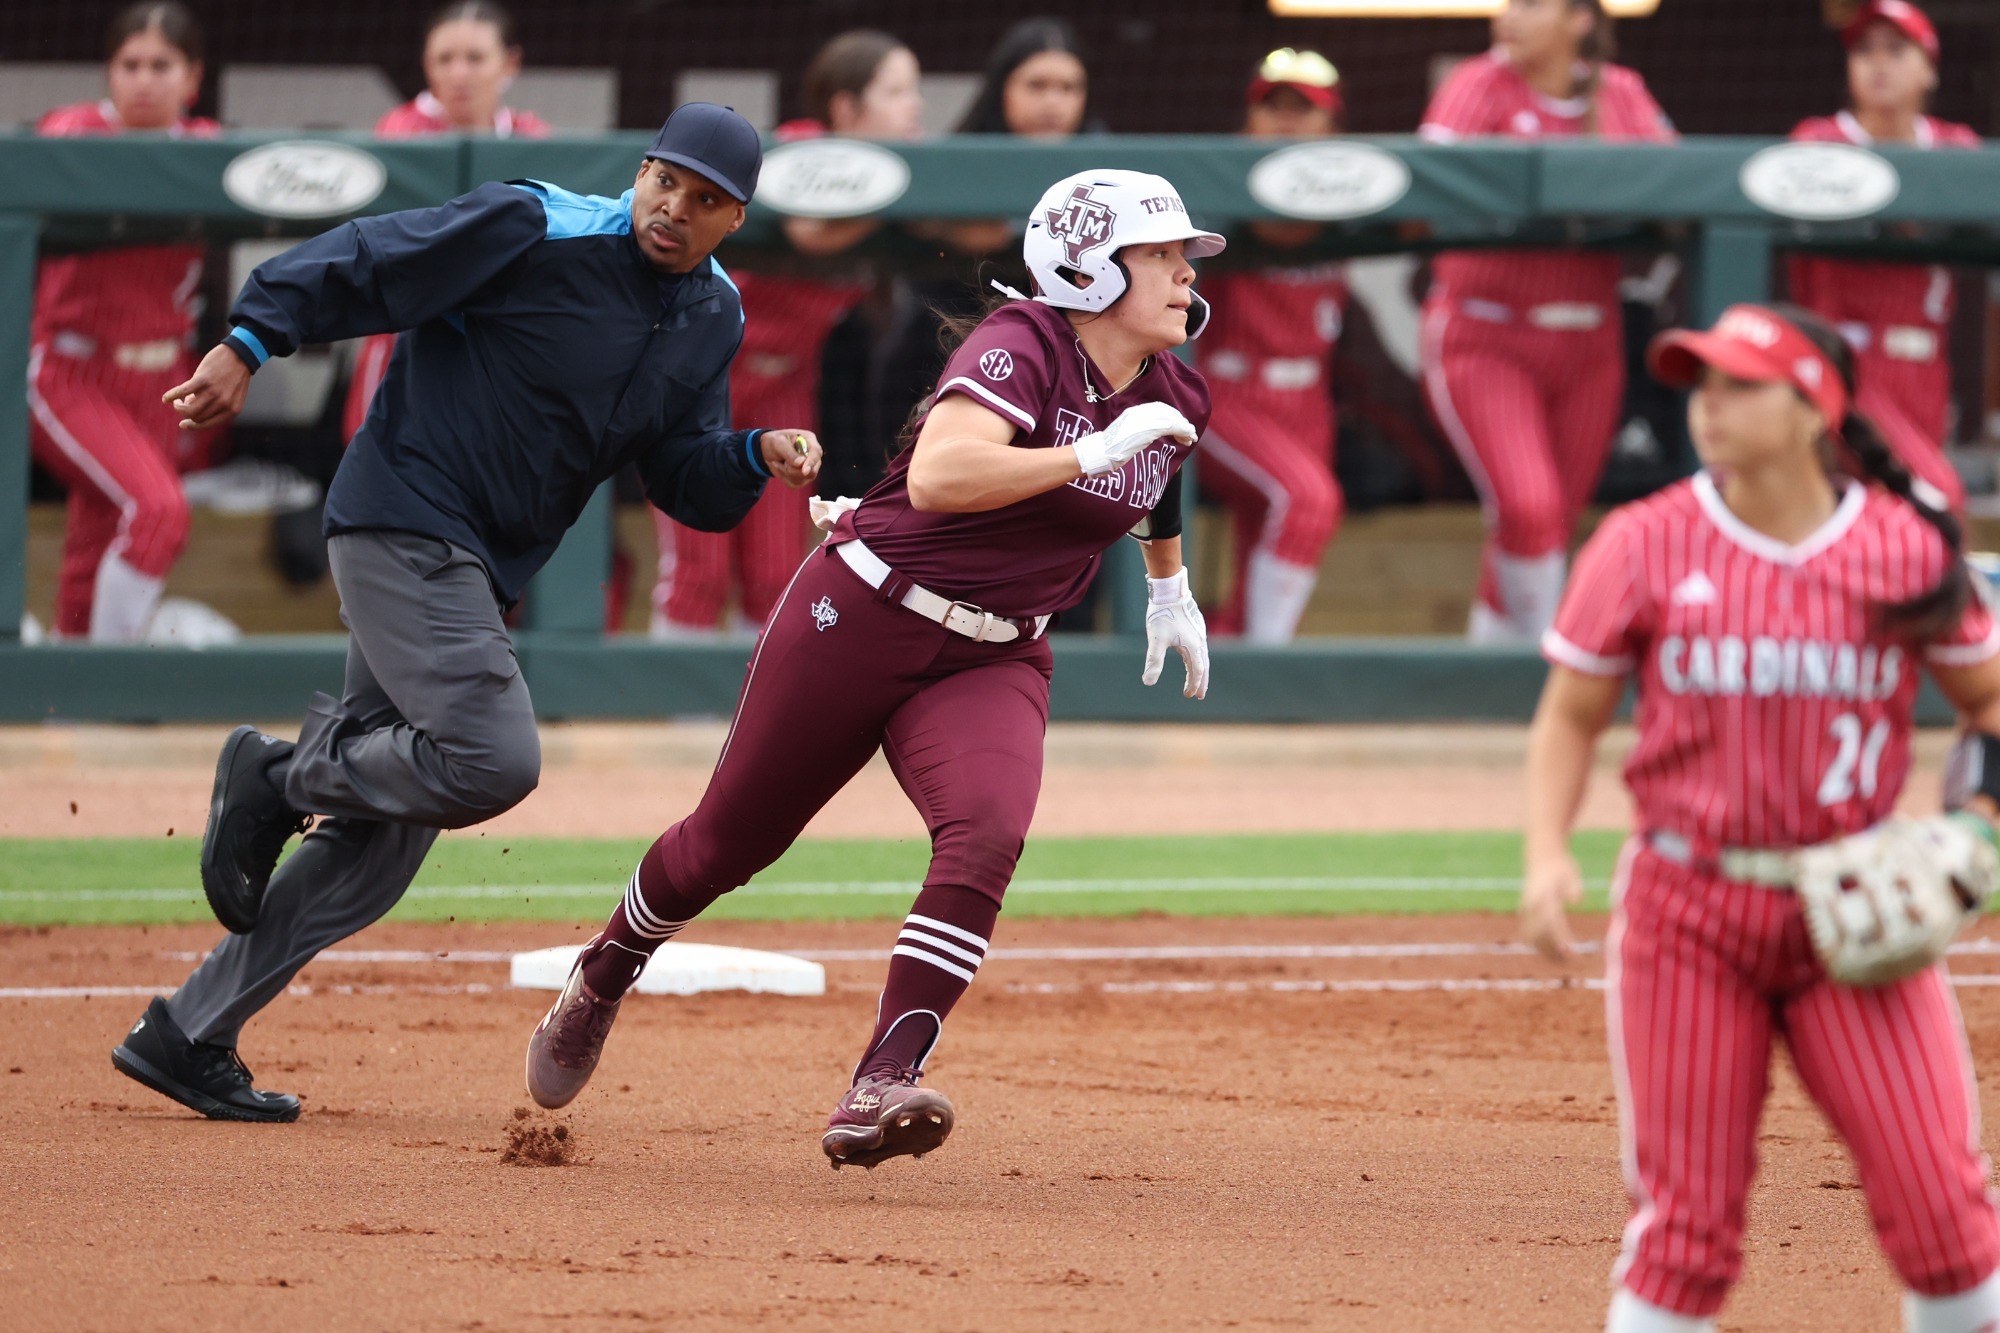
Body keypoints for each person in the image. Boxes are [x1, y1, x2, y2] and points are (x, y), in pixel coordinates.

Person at [108, 104, 824, 1123]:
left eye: (705, 199)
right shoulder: (538, 226)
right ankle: (274, 775)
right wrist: (250, 338)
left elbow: (683, 478)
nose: (675, 207)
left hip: (479, 567)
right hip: (403, 517)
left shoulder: (713, 314)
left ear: (734, 219)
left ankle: (186, 1031)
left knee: (384, 835)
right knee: (494, 757)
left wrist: (754, 455)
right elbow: (372, 260)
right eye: (665, 180)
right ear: (642, 171)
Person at [525, 169, 1220, 1170]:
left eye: (1181, 253)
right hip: (861, 611)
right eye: (1159, 253)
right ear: (1084, 266)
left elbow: (1157, 467)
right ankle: (606, 969)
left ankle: (878, 1081)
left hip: (996, 649)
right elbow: (942, 476)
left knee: (985, 836)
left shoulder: (1173, 385)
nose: (1182, 271)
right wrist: (1091, 451)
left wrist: (1167, 580)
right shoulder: (1019, 342)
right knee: (727, 843)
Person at [1522, 301, 2000, 1332]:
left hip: (1852, 908)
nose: (1710, 406)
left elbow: (1988, 703)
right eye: (1701, 383)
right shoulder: (1640, 542)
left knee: (1942, 1213)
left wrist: (1979, 823)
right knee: (1684, 1232)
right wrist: (1544, 850)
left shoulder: (1901, 552)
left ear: (1808, 409)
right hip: (1685, 910)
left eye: (1740, 384)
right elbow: (1568, 715)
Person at [1417, 0, 1674, 643]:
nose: (1511, 16)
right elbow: (1429, 189)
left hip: (1589, 339)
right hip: (1487, 331)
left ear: (1580, 19)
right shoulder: (1479, 83)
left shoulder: (1622, 92)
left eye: (1532, 5)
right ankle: (1545, 672)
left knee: (1549, 521)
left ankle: (1488, 678)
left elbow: (1680, 185)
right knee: (1528, 506)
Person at [653, 29, 922, 638]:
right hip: (706, 374)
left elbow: (975, 229)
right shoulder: (803, 147)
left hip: (788, 380)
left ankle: (755, 716)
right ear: (848, 108)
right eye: (899, 92)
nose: (915, 109)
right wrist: (892, 204)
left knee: (777, 567)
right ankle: (678, 723)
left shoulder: (916, 169)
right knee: (700, 569)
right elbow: (808, 231)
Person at [26, 3, 217, 642]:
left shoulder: (208, 149)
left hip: (162, 376)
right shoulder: (74, 132)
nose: (144, 80)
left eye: (161, 66)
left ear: (191, 79)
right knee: (159, 512)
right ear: (108, 72)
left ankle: (68, 682)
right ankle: (114, 681)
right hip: (73, 367)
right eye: (129, 65)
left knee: (99, 534)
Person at [1788, 0, 1978, 515]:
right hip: (1848, 362)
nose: (1878, 64)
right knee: (1935, 499)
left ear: (1928, 70)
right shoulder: (1819, 141)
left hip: (1924, 363)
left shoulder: (1955, 147)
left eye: (1896, 51)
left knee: (1881, 513)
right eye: (1864, 51)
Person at [342, 1, 551, 448]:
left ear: (509, 63)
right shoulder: (399, 132)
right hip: (403, 338)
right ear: (426, 65)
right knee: (379, 491)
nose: (459, 73)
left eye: (475, 58)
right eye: (445, 59)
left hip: (497, 348)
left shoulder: (531, 137)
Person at [1199, 48, 1347, 643]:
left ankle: (1237, 643)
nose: (1287, 121)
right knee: (1309, 500)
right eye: (1273, 107)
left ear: (1333, 126)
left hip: (1308, 392)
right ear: (1249, 119)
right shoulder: (1220, 181)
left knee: (1267, 531)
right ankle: (1270, 662)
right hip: (1229, 387)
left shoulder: (1356, 193)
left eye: (1304, 110)